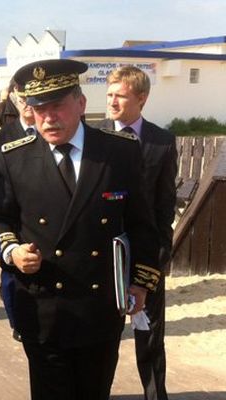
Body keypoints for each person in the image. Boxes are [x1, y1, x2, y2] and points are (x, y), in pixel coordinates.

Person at [0, 59, 160, 400]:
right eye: (38, 108)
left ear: (80, 102)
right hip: (43, 306)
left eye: (57, 106)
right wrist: (12, 251)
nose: (47, 117)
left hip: (99, 306)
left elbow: (143, 224)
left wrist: (141, 281)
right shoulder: (13, 157)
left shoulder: (118, 152)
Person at [101, 65, 177, 400]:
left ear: (141, 98)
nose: (112, 102)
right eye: (110, 95)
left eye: (121, 95)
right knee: (102, 337)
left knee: (150, 335)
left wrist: (159, 258)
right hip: (104, 255)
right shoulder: (95, 137)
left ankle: (154, 395)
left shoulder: (162, 142)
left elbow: (165, 207)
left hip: (146, 256)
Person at [0, 81, 37, 343]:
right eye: (23, 98)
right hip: (10, 214)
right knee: (11, 276)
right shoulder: (4, 132)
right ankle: (18, 321)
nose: (28, 104)